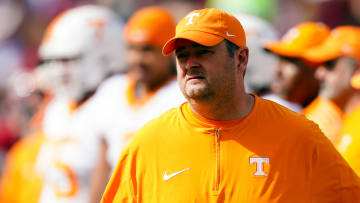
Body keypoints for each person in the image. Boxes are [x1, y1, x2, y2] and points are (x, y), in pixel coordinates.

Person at [101, 8, 360, 202]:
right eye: (182, 55)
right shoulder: (146, 144)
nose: (190, 63)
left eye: (203, 51)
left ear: (241, 58)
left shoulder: (298, 135)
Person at [88, 7, 185, 202]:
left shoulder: (181, 95)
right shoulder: (112, 90)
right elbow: (104, 164)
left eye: (147, 49)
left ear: (169, 52)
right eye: (132, 48)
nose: (137, 59)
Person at [32, 5, 126, 203]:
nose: (58, 71)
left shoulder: (116, 101)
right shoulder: (58, 108)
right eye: (53, 61)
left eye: (67, 59)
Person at [303, 26, 360, 173]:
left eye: (330, 64)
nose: (319, 74)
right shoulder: (339, 120)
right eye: (319, 65)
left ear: (356, 68)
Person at [262, 22, 328, 112]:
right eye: (279, 60)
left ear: (319, 69)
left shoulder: (332, 121)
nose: (277, 71)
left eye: (290, 61)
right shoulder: (267, 109)